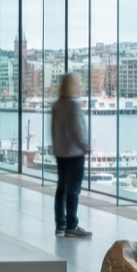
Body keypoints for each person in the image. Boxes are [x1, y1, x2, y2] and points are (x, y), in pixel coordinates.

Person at [51, 73, 93, 238]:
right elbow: (78, 131)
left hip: (60, 152)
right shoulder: (73, 105)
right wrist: (86, 147)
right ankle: (72, 225)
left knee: (61, 188)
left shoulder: (56, 105)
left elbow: (54, 131)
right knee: (73, 190)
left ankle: (60, 224)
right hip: (74, 153)